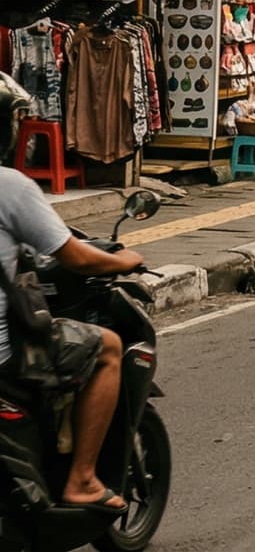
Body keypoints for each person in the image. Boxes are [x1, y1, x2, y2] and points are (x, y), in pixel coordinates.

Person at [0, 75, 145, 512]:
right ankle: (81, 479)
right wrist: (127, 260)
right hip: (4, 353)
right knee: (108, 348)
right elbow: (76, 258)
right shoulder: (12, 187)